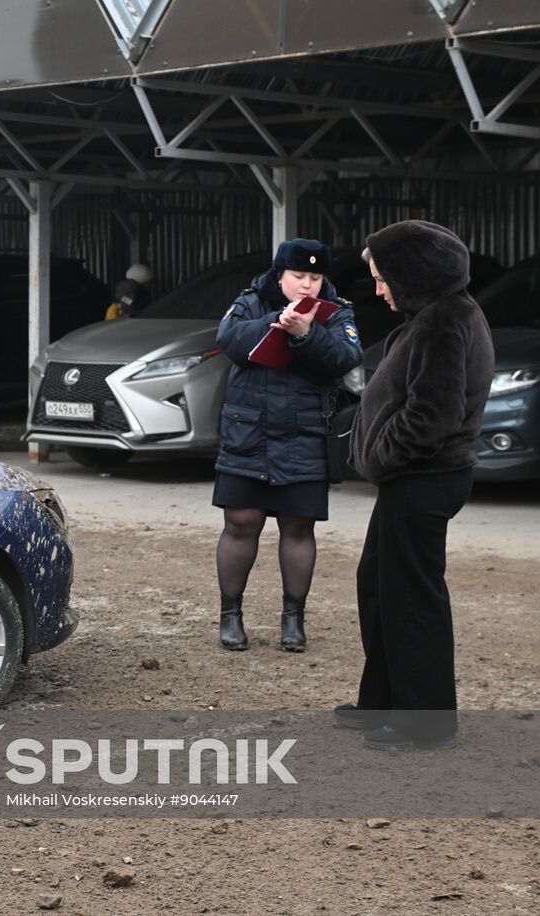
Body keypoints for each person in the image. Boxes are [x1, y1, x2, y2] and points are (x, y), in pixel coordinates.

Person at [338, 220, 494, 751]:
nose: (378, 288)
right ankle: (380, 701)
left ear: (413, 275)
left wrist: (380, 458)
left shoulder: (444, 322)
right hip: (413, 481)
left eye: (383, 277)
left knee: (412, 602)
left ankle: (424, 723)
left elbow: (432, 414)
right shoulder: (435, 315)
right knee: (379, 585)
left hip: (423, 480)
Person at [213, 239, 363, 652]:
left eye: (315, 277)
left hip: (305, 434)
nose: (308, 285)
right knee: (241, 523)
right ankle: (231, 616)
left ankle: (293, 621)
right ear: (279, 275)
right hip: (249, 432)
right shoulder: (250, 302)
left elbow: (345, 358)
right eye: (299, 276)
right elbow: (228, 340)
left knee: (298, 526)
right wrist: (274, 323)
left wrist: (307, 334)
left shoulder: (337, 311)